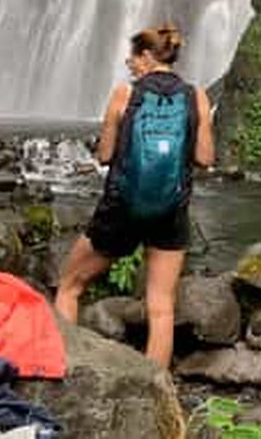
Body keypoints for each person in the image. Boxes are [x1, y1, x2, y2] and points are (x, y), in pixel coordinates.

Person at [55, 22, 214, 368]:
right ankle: (157, 390)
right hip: (170, 211)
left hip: (121, 209)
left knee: (69, 285)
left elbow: (105, 155)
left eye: (132, 56)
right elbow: (205, 158)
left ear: (145, 56)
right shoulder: (196, 96)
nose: (128, 64)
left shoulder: (124, 95)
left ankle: (60, 369)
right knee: (161, 306)